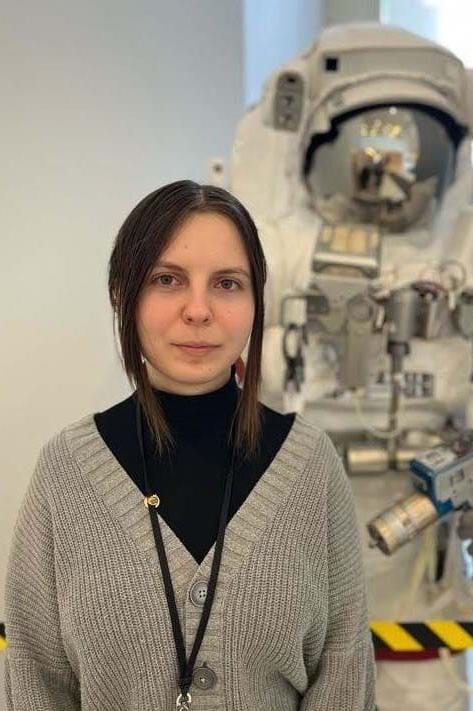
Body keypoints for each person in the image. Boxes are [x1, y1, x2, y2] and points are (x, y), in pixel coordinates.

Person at [230, 23, 473, 711]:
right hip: (281, 537)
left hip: (420, 552)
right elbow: (189, 338)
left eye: (414, 143)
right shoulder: (267, 244)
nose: (388, 166)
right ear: (310, 144)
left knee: (418, 691)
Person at [4, 181, 377, 710]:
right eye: (167, 279)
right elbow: (33, 684)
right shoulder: (65, 472)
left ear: (254, 302)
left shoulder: (312, 467)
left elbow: (345, 683)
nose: (198, 310)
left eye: (227, 283)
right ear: (122, 293)